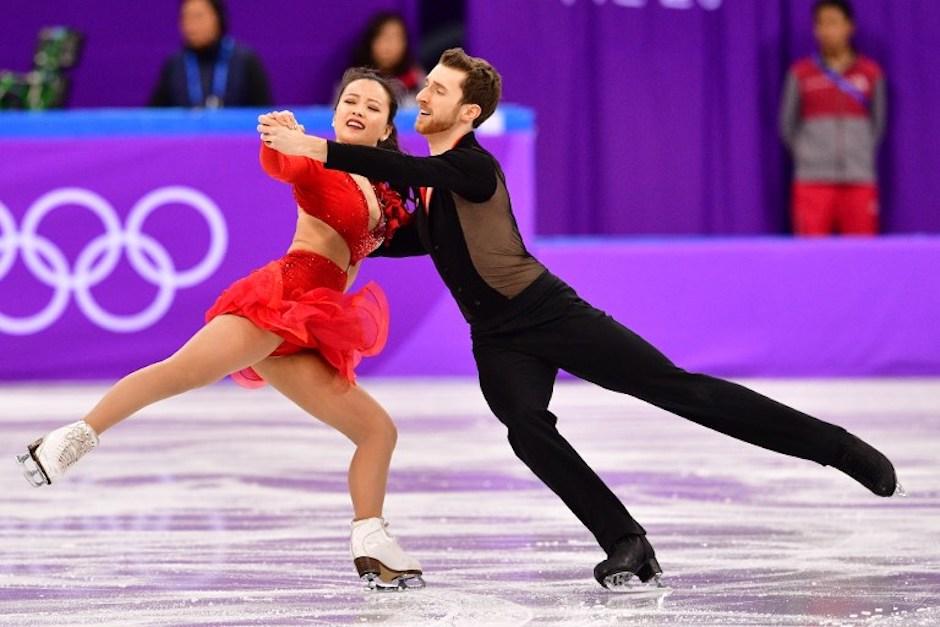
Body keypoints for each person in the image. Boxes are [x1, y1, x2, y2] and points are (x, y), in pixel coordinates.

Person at [260, 48, 901, 591]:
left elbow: (405, 166)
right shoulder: (430, 187)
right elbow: (383, 231)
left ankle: (837, 448)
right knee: (527, 430)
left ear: (470, 112)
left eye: (437, 90)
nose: (421, 95)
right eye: (424, 86)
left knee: (676, 389)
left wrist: (318, 148)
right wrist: (323, 240)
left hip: (549, 313)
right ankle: (627, 542)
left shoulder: (469, 165)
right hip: (498, 338)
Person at [17, 68, 422, 591]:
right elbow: (286, 163)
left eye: (372, 106)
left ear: (388, 126)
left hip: (313, 326)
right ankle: (70, 439)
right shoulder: (318, 160)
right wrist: (282, 138)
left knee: (377, 431)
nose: (358, 109)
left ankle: (371, 542)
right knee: (178, 373)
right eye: (350, 99)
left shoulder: (383, 191)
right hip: (278, 303)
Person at [780, 0, 886, 236]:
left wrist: (860, 151)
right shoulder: (801, 73)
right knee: (810, 258)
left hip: (859, 179)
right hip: (812, 181)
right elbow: (787, 125)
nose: (827, 31)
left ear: (849, 27)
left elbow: (878, 124)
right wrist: (807, 153)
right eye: (821, 24)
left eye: (833, 23)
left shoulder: (870, 73)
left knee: (863, 257)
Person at [149, 0, 272, 108]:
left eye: (198, 16)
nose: (191, 26)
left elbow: (263, 113)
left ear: (218, 17)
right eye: (186, 17)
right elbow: (155, 117)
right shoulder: (174, 64)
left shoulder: (245, 61)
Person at [349, 12, 425, 106]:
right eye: (382, 37)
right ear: (370, 42)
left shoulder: (416, 79)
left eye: (395, 37)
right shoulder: (353, 81)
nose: (388, 45)